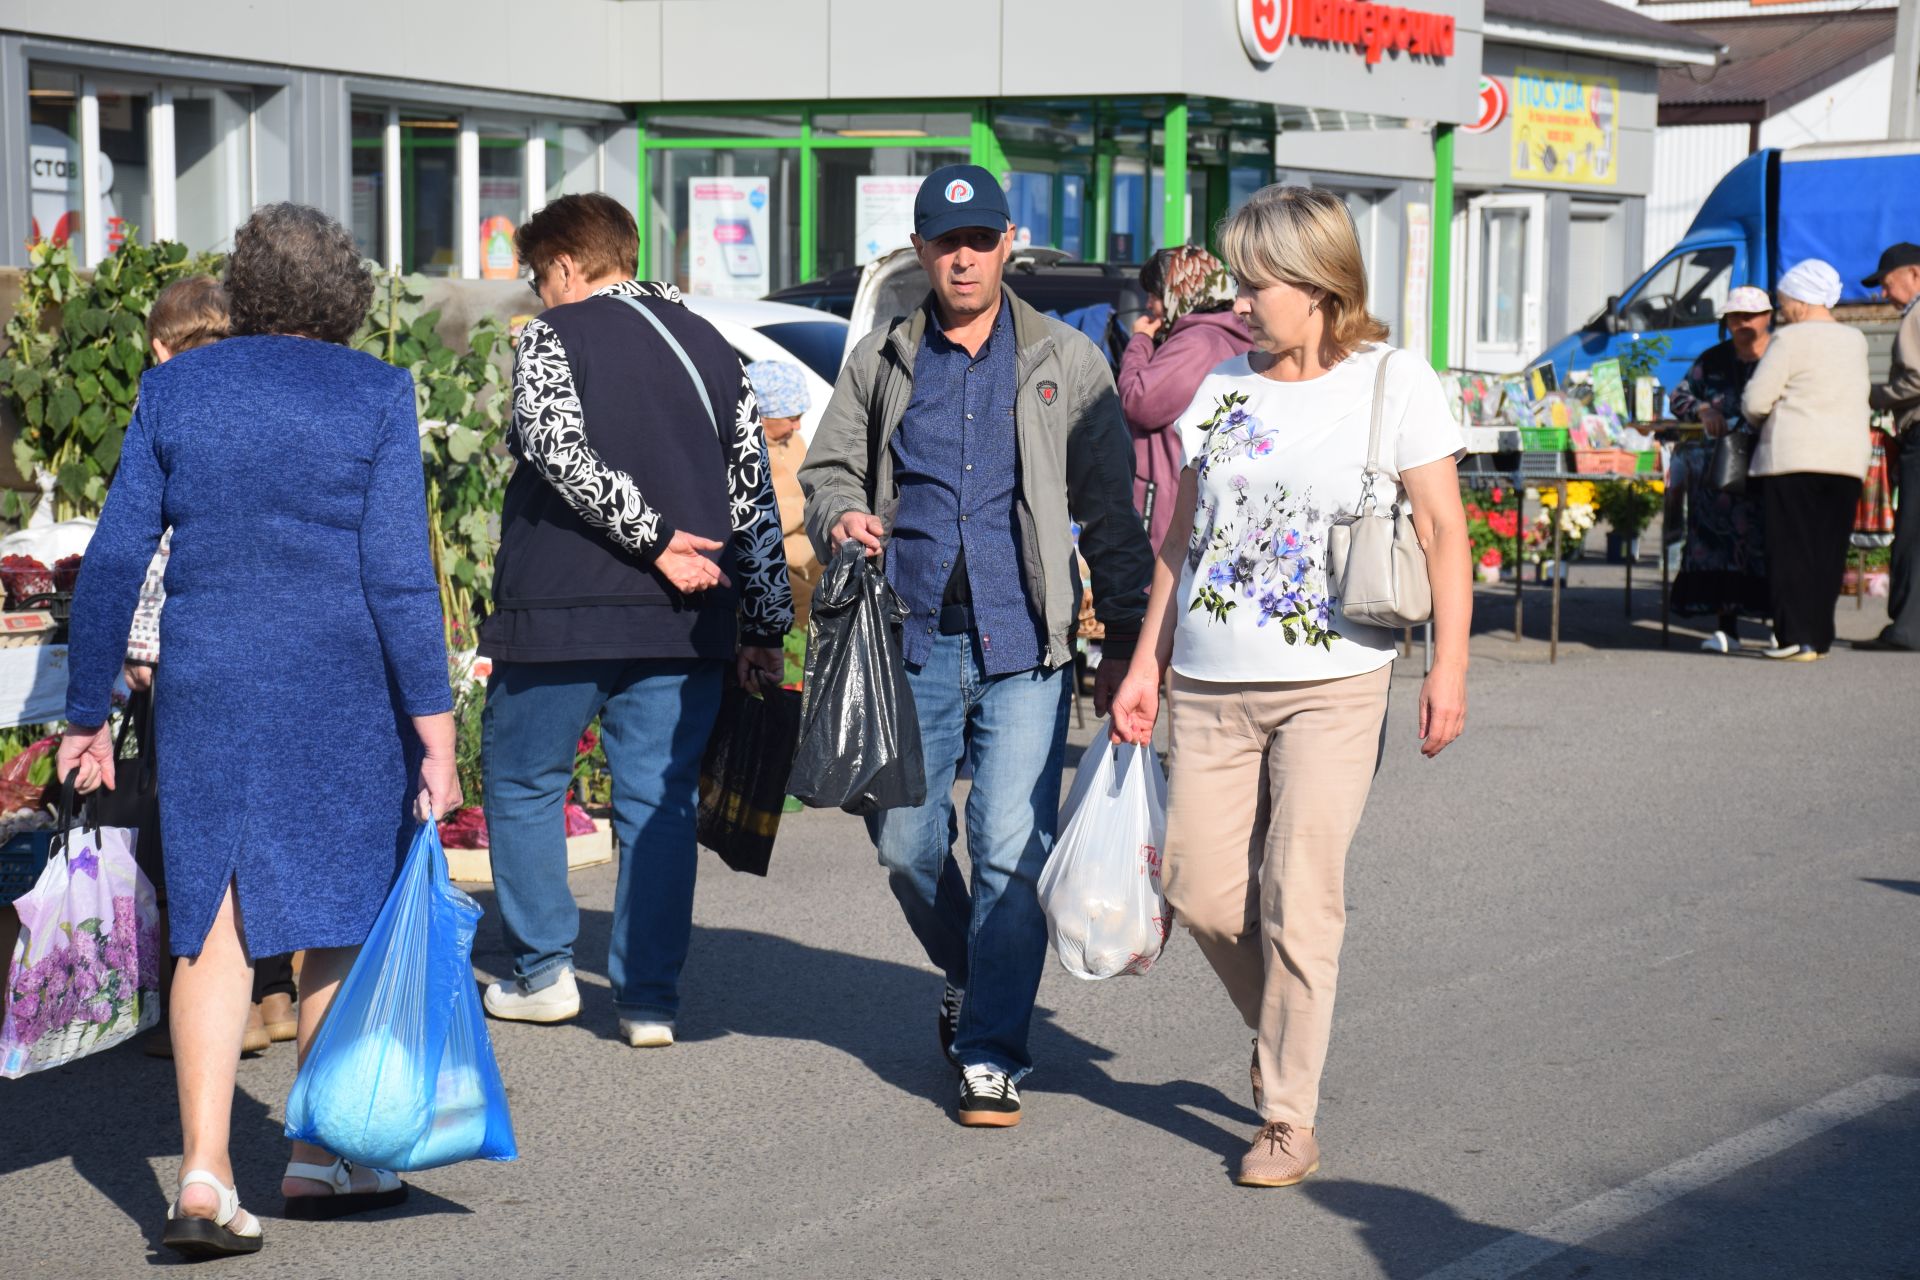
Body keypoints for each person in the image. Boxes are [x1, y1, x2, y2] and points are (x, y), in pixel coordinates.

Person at [58, 203, 460, 1256]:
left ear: (243, 288)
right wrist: (438, 733)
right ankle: (323, 1150)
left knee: (214, 919)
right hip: (339, 677)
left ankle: (202, 1171)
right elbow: (400, 579)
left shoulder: (176, 386)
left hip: (207, 676)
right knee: (335, 909)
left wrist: (86, 708)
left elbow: (111, 558)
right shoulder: (375, 392)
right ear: (345, 295)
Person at [1109, 185, 1470, 1188]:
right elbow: (1183, 540)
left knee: (1296, 894)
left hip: (1336, 677)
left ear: (1315, 284)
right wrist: (1146, 660)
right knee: (1200, 887)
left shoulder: (1395, 380)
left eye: (1256, 279)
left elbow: (1445, 530)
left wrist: (1450, 664)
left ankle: (1286, 1111)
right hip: (1213, 680)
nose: (1241, 297)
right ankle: (1288, 1028)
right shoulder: (1222, 388)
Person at [800, 164, 1153, 1127]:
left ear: (1008, 245)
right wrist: (840, 516)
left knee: (1008, 849)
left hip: (1025, 646)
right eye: (944, 242)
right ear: (920, 251)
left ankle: (992, 1047)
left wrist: (1124, 637)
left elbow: (1110, 512)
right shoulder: (882, 359)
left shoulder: (1064, 362)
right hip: (911, 639)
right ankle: (974, 971)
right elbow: (827, 468)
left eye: (980, 240)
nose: (963, 257)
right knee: (908, 848)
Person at [478, 194, 791, 1048]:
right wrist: (764, 619)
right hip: (685, 621)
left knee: (522, 780)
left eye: (540, 276)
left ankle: (543, 974)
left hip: (564, 610)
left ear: (569, 267)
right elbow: (752, 495)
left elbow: (552, 444)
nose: (539, 295)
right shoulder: (714, 348)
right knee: (659, 802)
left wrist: (650, 537)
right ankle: (649, 999)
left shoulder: (555, 336)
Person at [121, 276, 295, 1063]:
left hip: (188, 644)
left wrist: (134, 646)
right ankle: (274, 994)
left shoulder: (165, 401)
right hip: (276, 640)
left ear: (159, 346)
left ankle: (206, 1014)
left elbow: (151, 546)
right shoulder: (264, 399)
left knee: (188, 831)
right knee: (266, 819)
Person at [1742, 259, 1872, 662]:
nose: (1783, 309)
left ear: (1799, 300)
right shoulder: (1856, 340)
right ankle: (1819, 635)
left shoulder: (1789, 339)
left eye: (1783, 301)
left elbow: (1755, 399)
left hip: (1794, 457)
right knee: (1828, 550)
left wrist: (1757, 419)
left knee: (1790, 549)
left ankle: (1794, 639)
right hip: (1846, 460)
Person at [1119, 246, 1253, 552]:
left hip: (1167, 503)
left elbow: (1137, 402)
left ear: (1176, 293)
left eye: (1153, 294)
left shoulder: (1198, 344)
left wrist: (1139, 340)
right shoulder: (1223, 336)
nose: (1149, 306)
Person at [1666, 286, 1774, 653]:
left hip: (1769, 464)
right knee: (1720, 546)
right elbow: (1679, 396)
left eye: (1750, 316)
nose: (1742, 323)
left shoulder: (1780, 355)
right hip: (1720, 472)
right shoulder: (1711, 359)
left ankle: (1778, 624)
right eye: (1735, 317)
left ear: (1767, 317)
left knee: (1769, 546)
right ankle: (1726, 627)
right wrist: (1702, 410)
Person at [1855, 242, 1920, 652]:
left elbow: (1915, 378)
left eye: (1886, 283)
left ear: (1915, 274)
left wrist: (1877, 396)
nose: (1881, 293)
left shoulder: (1916, 314)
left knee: (1913, 532)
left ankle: (1907, 627)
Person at [746, 359, 821, 628]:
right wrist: (804, 506)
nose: (798, 427)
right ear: (764, 415)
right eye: (792, 418)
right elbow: (757, 513)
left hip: (809, 554)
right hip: (770, 560)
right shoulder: (744, 451)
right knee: (806, 609)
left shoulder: (794, 442)